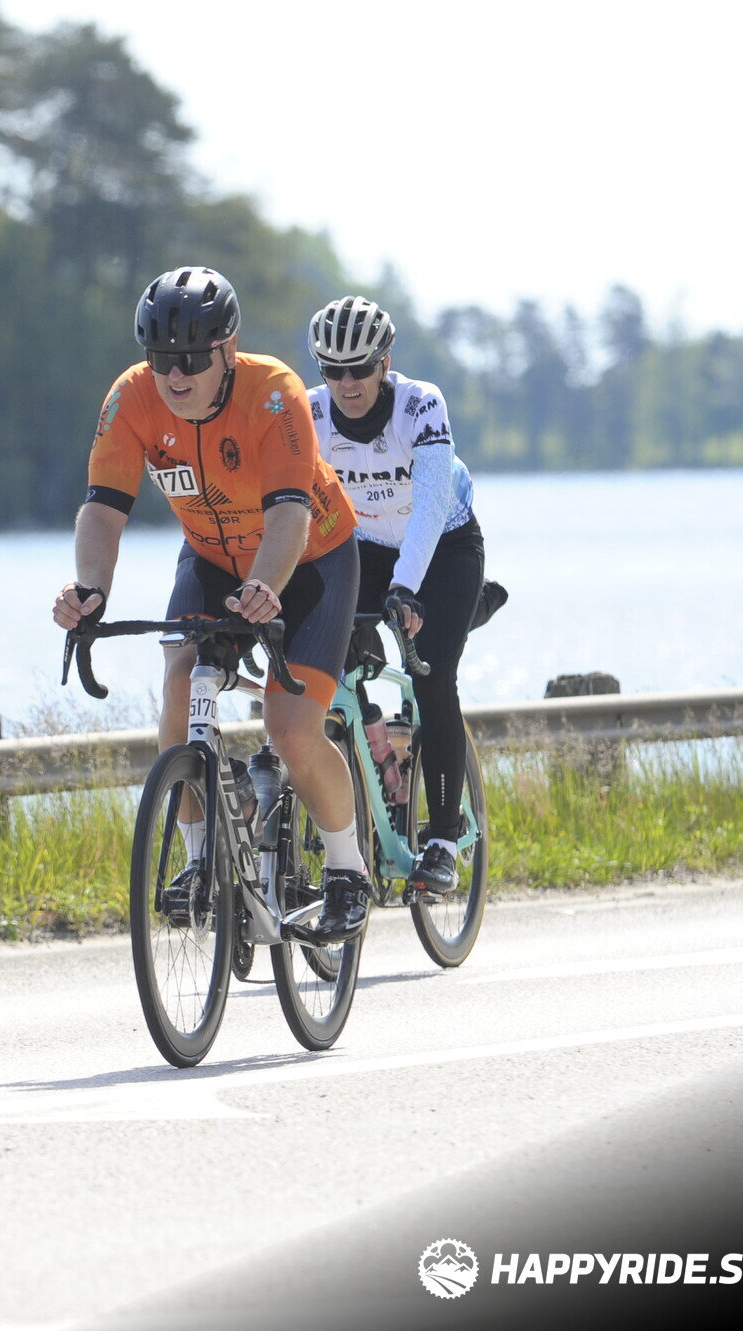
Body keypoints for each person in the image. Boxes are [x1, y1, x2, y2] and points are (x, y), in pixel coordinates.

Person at [53, 266, 372, 945]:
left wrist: (266, 585)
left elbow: (288, 516)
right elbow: (103, 509)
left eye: (192, 358)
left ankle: (348, 870)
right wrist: (91, 589)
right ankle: (200, 860)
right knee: (180, 687)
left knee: (291, 727)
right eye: (161, 356)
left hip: (310, 559)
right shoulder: (132, 397)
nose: (175, 373)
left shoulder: (274, 393)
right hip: (210, 557)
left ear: (228, 348)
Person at [306, 296, 483, 898]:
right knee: (323, 660)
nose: (348, 383)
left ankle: (442, 840)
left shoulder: (420, 404)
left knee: (432, 674)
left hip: (442, 547)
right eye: (334, 370)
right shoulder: (310, 414)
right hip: (363, 547)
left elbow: (430, 504)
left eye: (361, 368)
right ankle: (376, 745)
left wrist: (405, 587)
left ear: (385, 363)